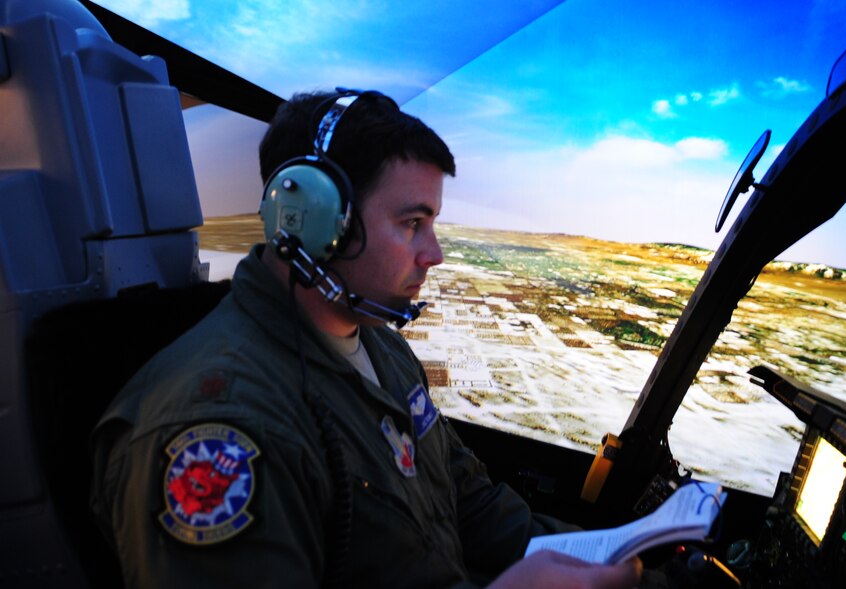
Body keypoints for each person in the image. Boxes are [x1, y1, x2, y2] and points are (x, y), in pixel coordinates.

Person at [90, 89, 642, 588]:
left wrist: (600, 554)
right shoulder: (219, 431)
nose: (435, 253)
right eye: (411, 223)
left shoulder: (377, 341)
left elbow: (465, 499)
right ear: (310, 221)